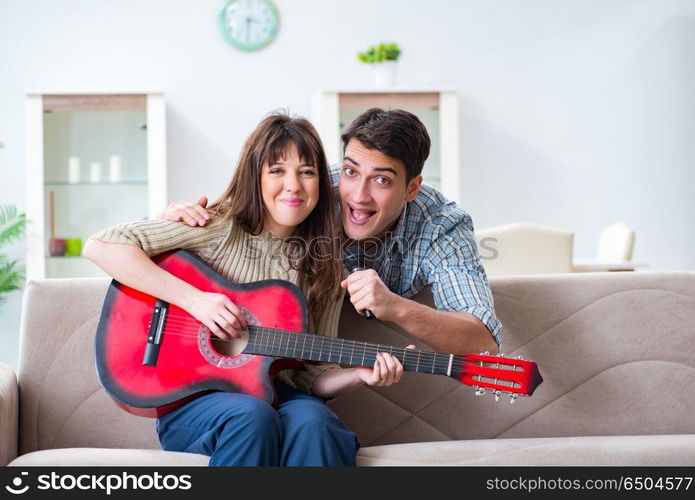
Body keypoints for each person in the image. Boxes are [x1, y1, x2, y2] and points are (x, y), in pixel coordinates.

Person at [83, 111, 412, 467]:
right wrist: (196, 301)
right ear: (254, 176)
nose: (293, 185)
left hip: (280, 396)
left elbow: (312, 376)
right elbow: (103, 245)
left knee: (316, 423)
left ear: (321, 182)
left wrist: (358, 375)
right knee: (251, 416)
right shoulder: (217, 227)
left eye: (306, 172)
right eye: (276, 171)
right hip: (194, 400)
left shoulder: (327, 265)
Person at [163, 108, 503, 356]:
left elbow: (482, 340)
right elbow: (236, 227)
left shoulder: (441, 225)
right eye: (352, 172)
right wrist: (175, 229)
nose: (359, 195)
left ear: (412, 188)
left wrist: (395, 307)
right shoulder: (313, 187)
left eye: (382, 180)